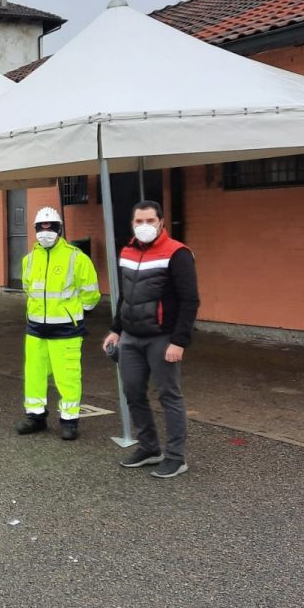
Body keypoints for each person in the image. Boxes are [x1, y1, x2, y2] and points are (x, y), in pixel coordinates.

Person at [103, 200, 200, 479]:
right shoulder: (128, 251)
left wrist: (179, 341)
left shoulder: (177, 253)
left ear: (161, 223)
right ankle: (149, 448)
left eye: (150, 221)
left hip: (163, 338)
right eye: (138, 222)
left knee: (169, 395)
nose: (144, 226)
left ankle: (175, 457)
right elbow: (126, 296)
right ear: (132, 224)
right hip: (131, 338)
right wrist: (115, 329)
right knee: (133, 392)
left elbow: (190, 300)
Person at [17, 206, 101, 441]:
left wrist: (73, 312)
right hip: (35, 329)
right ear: (35, 230)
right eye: (41, 228)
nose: (46, 232)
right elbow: (28, 289)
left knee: (68, 377)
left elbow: (91, 294)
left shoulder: (76, 258)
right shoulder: (29, 260)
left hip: (66, 330)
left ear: (59, 229)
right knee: (34, 374)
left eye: (50, 227)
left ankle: (69, 420)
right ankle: (35, 416)